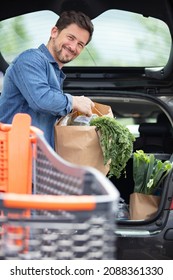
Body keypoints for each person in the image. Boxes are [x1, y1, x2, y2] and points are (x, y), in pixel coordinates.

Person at [0, 10, 95, 148]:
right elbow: (42, 100)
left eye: (80, 44)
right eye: (70, 37)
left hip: (34, 161)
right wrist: (74, 101)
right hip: (12, 158)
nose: (73, 47)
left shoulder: (55, 73)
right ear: (54, 32)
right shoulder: (30, 60)